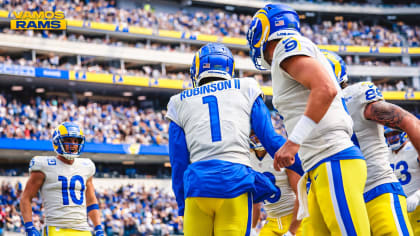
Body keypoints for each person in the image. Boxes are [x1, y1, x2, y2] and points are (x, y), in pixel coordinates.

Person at [247, 4, 370, 235]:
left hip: (333, 158)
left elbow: (324, 89)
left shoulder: (287, 46)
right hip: (320, 163)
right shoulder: (290, 54)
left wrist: (293, 142)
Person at [166, 43, 303, 236]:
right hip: (235, 182)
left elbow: (178, 162)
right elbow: (270, 140)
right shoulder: (246, 86)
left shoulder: (177, 102)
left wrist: (182, 204)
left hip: (198, 186)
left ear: (197, 69)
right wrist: (304, 167)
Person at [324, 50, 414, 235]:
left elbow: (409, 121)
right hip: (345, 200)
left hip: (377, 187)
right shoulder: (314, 113)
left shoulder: (354, 97)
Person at [21, 122, 104, 236]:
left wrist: (98, 227)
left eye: (76, 141)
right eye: (68, 140)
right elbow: (26, 198)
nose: (73, 144)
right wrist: (29, 226)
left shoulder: (86, 166)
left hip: (83, 229)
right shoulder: (44, 165)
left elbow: (91, 200)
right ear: (57, 141)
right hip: (56, 228)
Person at [249, 131, 302, 236]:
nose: (257, 137)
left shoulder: (281, 153)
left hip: (294, 219)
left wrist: (292, 231)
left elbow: (301, 194)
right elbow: (256, 201)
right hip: (271, 222)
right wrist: (252, 228)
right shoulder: (249, 159)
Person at [385, 127, 420, 235]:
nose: (391, 138)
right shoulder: (385, 154)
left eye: (394, 133)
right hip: (397, 207)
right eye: (388, 135)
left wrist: (418, 195)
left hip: (417, 205)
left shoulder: (414, 148)